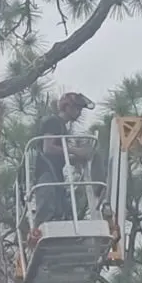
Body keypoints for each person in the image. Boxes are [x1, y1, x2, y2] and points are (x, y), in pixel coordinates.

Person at [32, 91, 105, 227]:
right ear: (66, 107)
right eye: (76, 108)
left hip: (55, 175)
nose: (79, 112)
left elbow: (59, 154)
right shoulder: (53, 121)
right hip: (47, 174)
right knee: (47, 210)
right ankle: (37, 231)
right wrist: (76, 151)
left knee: (63, 212)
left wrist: (77, 158)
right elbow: (48, 148)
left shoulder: (61, 127)